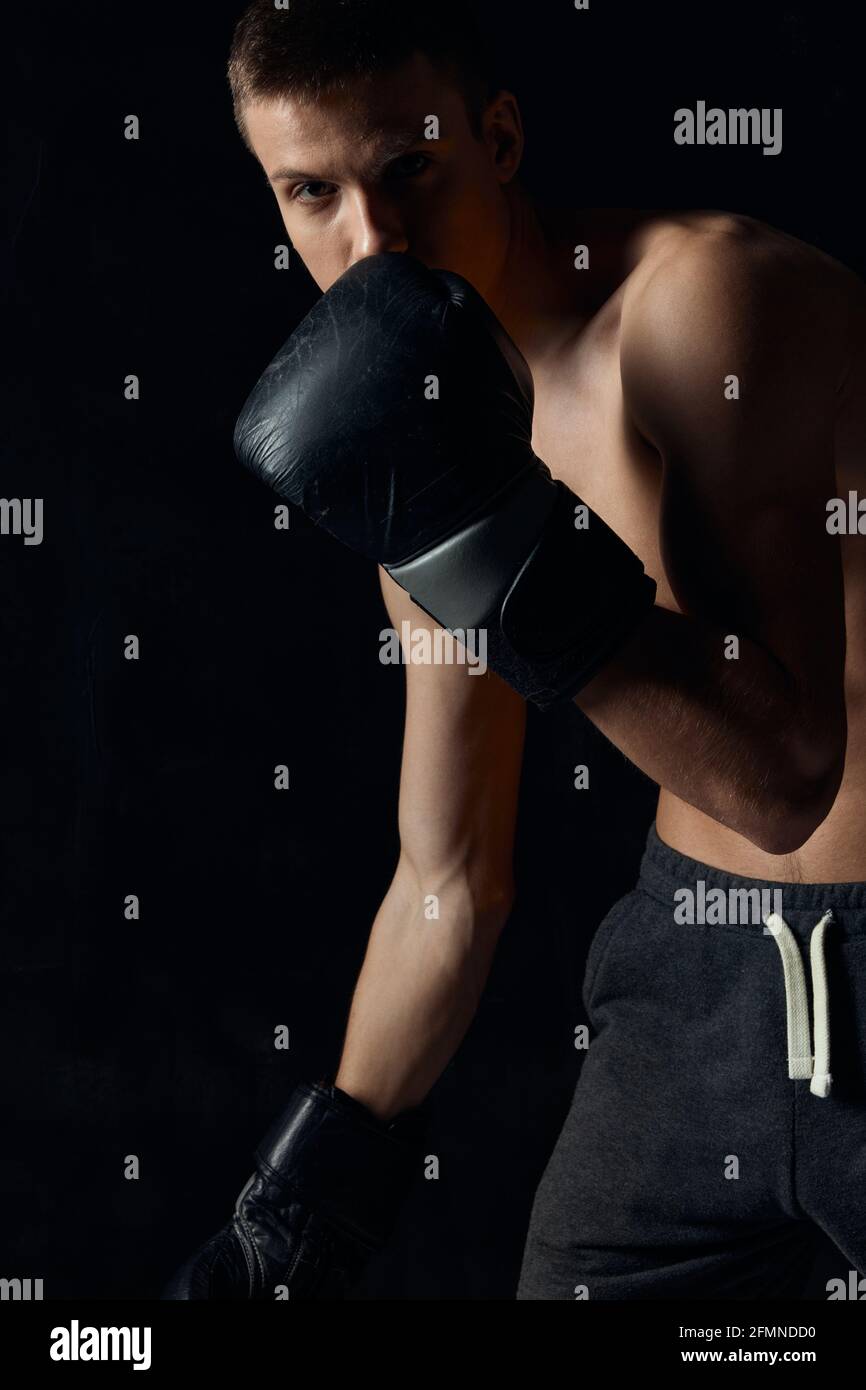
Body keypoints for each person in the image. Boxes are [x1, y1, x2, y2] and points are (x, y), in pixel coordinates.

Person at [164, 0, 866, 1300]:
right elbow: (448, 878)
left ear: (495, 137)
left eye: (407, 169)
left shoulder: (703, 310)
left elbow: (782, 781)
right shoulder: (420, 470)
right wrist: (291, 1217)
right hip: (693, 972)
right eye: (309, 192)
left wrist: (481, 535)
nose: (368, 240)